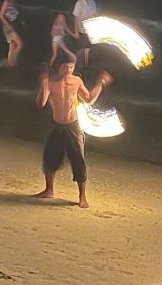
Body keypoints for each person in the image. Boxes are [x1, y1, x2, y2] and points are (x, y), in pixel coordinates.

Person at [34, 62, 112, 208]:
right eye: (65, 67)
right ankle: (49, 190)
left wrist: (100, 83)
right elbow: (41, 103)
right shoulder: (51, 83)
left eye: (71, 67)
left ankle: (82, 196)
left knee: (78, 160)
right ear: (59, 67)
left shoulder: (76, 81)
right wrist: (44, 82)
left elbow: (88, 99)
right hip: (57, 125)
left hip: (73, 125)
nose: (68, 70)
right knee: (49, 157)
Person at [71, 0, 97, 66]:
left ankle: (86, 63)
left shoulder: (92, 1)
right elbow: (76, 17)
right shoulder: (79, 3)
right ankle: (75, 63)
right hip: (81, 28)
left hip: (90, 28)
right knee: (81, 47)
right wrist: (76, 31)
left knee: (88, 47)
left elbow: (95, 14)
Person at [0, 0, 24, 66]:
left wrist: (22, 22)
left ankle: (10, 63)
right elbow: (1, 15)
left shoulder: (14, 3)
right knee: (20, 44)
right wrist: (8, 25)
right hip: (8, 26)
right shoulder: (7, 2)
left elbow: (14, 15)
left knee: (12, 45)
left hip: (12, 25)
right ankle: (13, 60)